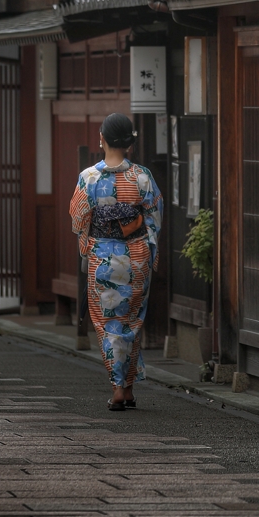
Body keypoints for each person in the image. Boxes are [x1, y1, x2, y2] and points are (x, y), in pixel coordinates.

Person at [69, 113, 163, 411]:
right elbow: (154, 221)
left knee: (108, 323)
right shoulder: (142, 176)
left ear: (103, 138)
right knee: (132, 322)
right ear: (130, 143)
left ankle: (118, 388)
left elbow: (79, 219)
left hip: (103, 259)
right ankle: (129, 388)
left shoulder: (89, 177)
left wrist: (87, 248)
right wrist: (149, 254)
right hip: (136, 258)